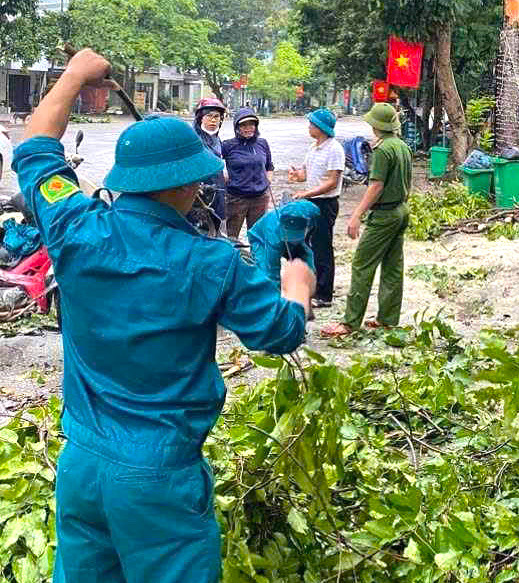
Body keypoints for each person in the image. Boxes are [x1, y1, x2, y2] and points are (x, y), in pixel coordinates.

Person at [12, 48, 315, 583]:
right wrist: (297, 283)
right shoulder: (211, 263)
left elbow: (36, 146)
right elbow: (281, 332)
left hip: (81, 466)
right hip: (158, 477)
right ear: (188, 184)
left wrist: (76, 75)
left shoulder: (74, 226)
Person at [322, 103, 412, 337]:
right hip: (401, 210)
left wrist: (356, 215)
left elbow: (376, 186)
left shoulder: (382, 150)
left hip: (383, 215)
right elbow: (407, 183)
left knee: (362, 265)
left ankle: (350, 323)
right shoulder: (402, 146)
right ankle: (387, 319)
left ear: (376, 125)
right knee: (393, 267)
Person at [293, 108, 345, 308]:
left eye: (312, 124)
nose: (309, 127)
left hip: (325, 203)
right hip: (312, 201)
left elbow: (332, 182)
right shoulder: (314, 147)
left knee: (323, 247)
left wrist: (307, 193)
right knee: (308, 244)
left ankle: (324, 294)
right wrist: (298, 176)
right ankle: (312, 285)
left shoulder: (334, 149)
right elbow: (306, 175)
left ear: (321, 128)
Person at [222, 107, 274, 237]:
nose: (248, 128)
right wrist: (223, 173)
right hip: (236, 198)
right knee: (231, 236)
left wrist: (267, 181)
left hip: (260, 198)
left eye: (251, 124)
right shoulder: (228, 145)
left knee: (258, 236)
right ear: (237, 127)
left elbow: (269, 166)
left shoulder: (262, 143)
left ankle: (256, 258)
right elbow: (216, 161)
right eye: (243, 125)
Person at [249, 199, 323, 288]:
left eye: (296, 236)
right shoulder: (273, 234)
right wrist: (276, 295)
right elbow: (272, 269)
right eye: (291, 236)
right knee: (265, 273)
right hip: (261, 240)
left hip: (289, 239)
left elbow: (311, 239)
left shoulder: (311, 213)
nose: (293, 240)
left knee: (308, 264)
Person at [192, 97, 228, 227]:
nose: (213, 120)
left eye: (217, 117)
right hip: (198, 194)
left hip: (218, 192)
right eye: (209, 116)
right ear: (200, 118)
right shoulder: (193, 139)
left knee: (218, 226)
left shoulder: (217, 139)